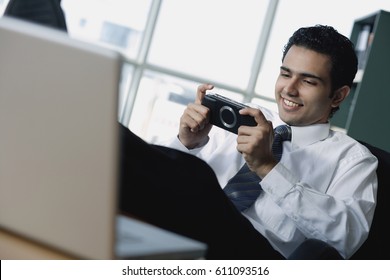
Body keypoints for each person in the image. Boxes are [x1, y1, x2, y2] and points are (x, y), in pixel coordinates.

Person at [136, 24, 378, 260]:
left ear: (338, 95)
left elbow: (347, 237)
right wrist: (186, 143)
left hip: (252, 258)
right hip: (180, 237)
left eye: (308, 81)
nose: (289, 89)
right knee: (128, 151)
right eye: (285, 74)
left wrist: (268, 168)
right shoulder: (244, 117)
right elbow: (155, 187)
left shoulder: (353, 160)